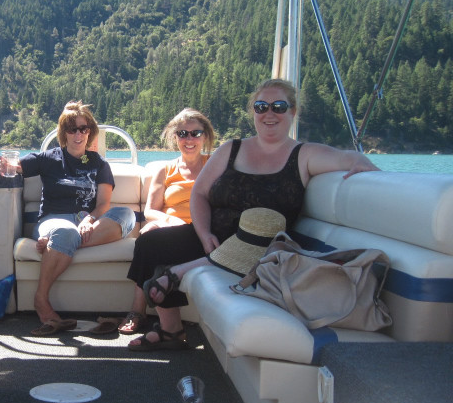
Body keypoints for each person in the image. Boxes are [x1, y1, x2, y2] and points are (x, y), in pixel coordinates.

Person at [127, 78, 380, 350]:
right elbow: (199, 194)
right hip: (215, 237)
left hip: (262, 245)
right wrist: (204, 233)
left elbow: (349, 159)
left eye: (278, 106)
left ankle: (179, 274)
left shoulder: (304, 155)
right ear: (254, 113)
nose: (269, 114)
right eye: (261, 107)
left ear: (293, 112)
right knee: (149, 244)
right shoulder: (231, 150)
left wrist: (362, 165)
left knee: (247, 238)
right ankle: (171, 330)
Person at [0, 101, 136, 336]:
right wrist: (3, 164)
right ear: (64, 133)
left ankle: (56, 245)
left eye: (83, 128)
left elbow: (103, 205)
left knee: (127, 214)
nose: (78, 134)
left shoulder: (99, 164)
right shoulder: (49, 158)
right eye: (72, 129)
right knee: (65, 230)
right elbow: (14, 165)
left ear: (89, 132)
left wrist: (88, 220)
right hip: (53, 220)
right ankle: (41, 298)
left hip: (87, 223)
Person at [117, 109, 215, 336]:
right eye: (183, 133)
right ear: (175, 137)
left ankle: (139, 312)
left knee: (152, 243)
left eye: (195, 133)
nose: (189, 139)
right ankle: (147, 314)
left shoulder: (214, 166)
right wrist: (170, 220)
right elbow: (151, 210)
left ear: (205, 136)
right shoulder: (165, 169)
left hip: (200, 231)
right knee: (149, 234)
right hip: (170, 225)